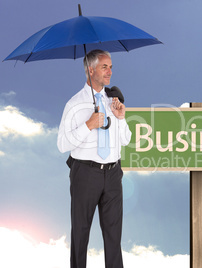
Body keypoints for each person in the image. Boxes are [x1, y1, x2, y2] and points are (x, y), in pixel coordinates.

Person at [57, 49, 132, 268]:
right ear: (90, 70)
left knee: (113, 236)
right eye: (104, 67)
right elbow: (62, 144)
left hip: (113, 174)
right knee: (80, 232)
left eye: (110, 67)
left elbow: (126, 140)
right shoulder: (73, 104)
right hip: (85, 173)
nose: (110, 72)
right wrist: (89, 125)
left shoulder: (113, 100)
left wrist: (121, 118)